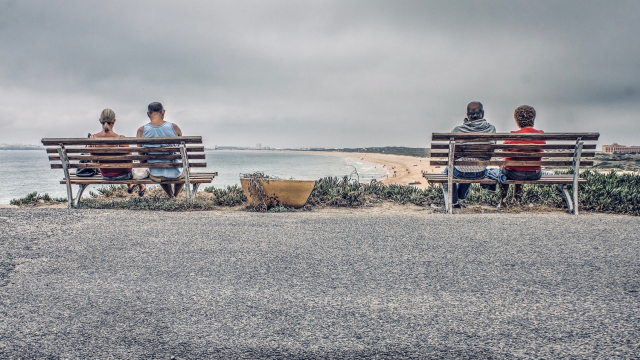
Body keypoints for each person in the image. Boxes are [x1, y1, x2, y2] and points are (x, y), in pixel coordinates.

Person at [443, 101, 497, 208]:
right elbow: (490, 153)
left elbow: (451, 155)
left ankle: (454, 202)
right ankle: (461, 195)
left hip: (460, 173)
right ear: (483, 113)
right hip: (480, 172)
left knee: (448, 171)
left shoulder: (458, 130)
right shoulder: (491, 129)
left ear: (467, 115)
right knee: (470, 166)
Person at [498, 105, 545, 207]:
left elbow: (503, 149)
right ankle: (516, 199)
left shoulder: (513, 136)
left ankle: (503, 200)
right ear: (533, 119)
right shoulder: (540, 135)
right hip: (535, 174)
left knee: (505, 170)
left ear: (517, 121)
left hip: (514, 174)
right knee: (519, 167)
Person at [90, 109, 145, 196]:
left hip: (105, 175)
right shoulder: (121, 139)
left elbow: (93, 161)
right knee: (131, 168)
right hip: (123, 175)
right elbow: (129, 161)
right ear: (114, 121)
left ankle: (132, 185)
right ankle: (138, 185)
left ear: (100, 121)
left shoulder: (92, 138)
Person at [137, 102, 185, 198]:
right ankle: (174, 195)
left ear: (148, 114)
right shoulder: (174, 128)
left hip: (156, 173)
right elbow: (182, 153)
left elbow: (142, 159)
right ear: (163, 112)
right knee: (186, 168)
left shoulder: (141, 131)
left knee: (160, 170)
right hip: (176, 172)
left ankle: (171, 196)